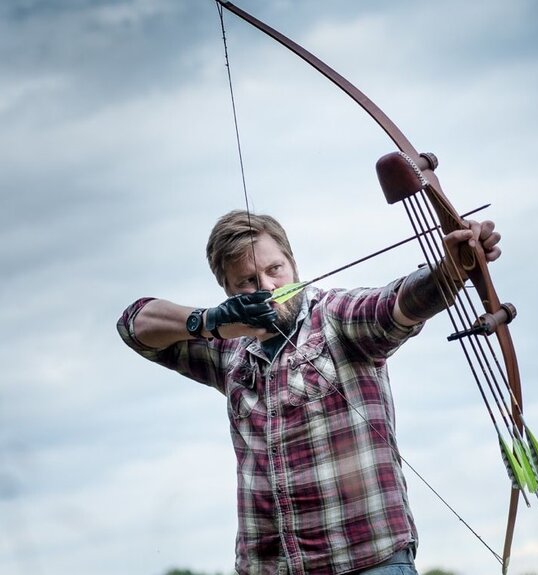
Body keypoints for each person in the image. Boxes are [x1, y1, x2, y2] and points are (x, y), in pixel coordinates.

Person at [117, 209, 501, 575]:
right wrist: (209, 322)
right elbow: (134, 324)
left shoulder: (335, 317)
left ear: (293, 263)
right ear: (228, 291)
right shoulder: (227, 352)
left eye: (274, 270)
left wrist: (452, 270)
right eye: (247, 281)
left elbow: (396, 304)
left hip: (368, 562)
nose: (266, 287)